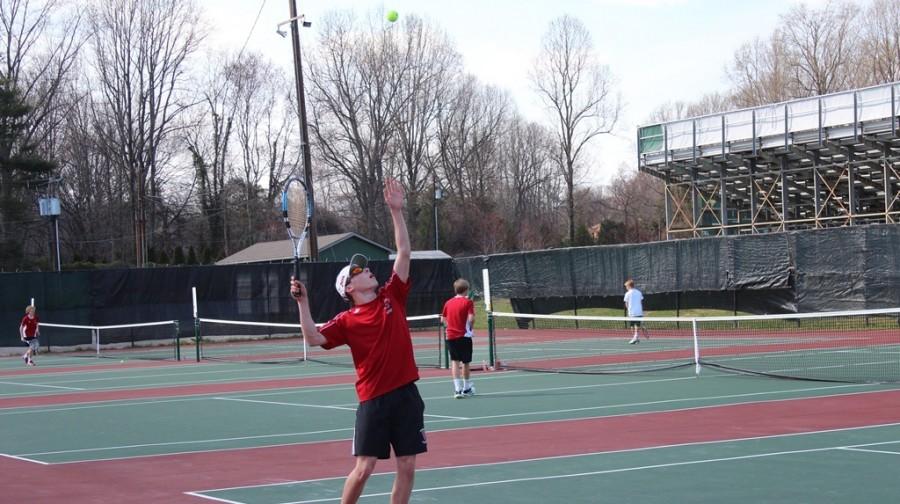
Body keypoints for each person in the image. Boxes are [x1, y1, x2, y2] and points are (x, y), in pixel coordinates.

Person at [291, 178, 425, 504]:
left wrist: (397, 211)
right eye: (358, 271)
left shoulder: (393, 295)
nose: (367, 270)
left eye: (364, 268)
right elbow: (312, 336)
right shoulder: (347, 321)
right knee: (364, 468)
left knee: (407, 466)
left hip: (406, 394)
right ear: (349, 289)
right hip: (374, 401)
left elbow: (405, 251)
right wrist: (303, 303)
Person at [441, 278, 475, 399]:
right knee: (466, 363)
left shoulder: (448, 302)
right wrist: (470, 327)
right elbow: (471, 318)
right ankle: (466, 388)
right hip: (464, 336)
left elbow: (443, 320)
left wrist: (450, 327)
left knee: (455, 362)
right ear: (466, 290)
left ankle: (457, 390)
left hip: (450, 336)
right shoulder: (468, 302)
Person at [624, 279, 648, 344]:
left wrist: (629, 310)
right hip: (639, 312)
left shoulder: (627, 293)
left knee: (632, 326)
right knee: (636, 326)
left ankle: (635, 338)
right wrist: (641, 310)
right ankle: (636, 338)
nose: (626, 288)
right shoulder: (639, 292)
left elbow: (626, 304)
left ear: (629, 286)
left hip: (632, 313)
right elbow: (641, 302)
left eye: (626, 286)